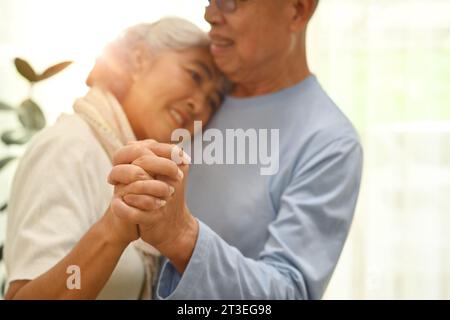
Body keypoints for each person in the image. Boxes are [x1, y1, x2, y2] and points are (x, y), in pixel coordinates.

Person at [108, 0, 364, 300]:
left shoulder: (329, 142)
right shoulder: (194, 97)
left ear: (297, 10)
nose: (210, 15)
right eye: (210, 0)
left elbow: (289, 294)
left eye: (229, 2)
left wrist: (182, 237)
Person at [4, 17, 226, 300]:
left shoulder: (129, 167)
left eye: (213, 101)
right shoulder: (71, 146)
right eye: (195, 75)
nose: (200, 105)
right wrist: (113, 231)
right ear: (139, 59)